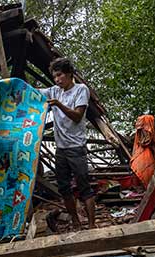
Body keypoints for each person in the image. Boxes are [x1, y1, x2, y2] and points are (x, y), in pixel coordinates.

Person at [40, 57, 96, 230]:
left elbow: (77, 116)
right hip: (61, 149)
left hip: (76, 147)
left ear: (69, 74)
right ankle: (76, 222)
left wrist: (58, 105)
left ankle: (92, 225)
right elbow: (34, 92)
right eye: (54, 77)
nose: (57, 80)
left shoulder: (81, 90)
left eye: (60, 75)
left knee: (84, 187)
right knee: (64, 189)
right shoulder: (54, 90)